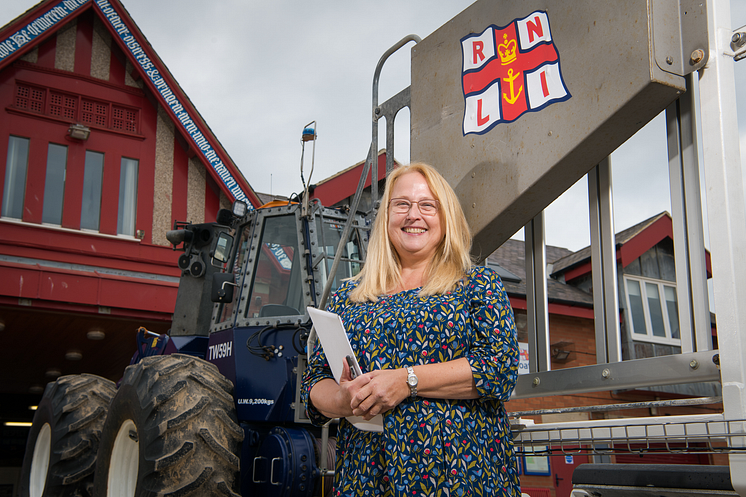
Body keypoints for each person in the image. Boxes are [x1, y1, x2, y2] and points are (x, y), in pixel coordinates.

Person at [302, 163, 520, 497]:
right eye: (401, 204)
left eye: (427, 205)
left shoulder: (476, 285)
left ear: (445, 218)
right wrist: (346, 400)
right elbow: (315, 381)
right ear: (386, 216)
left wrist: (406, 381)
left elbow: (499, 366)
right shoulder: (350, 296)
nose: (412, 215)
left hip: (459, 474)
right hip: (366, 475)